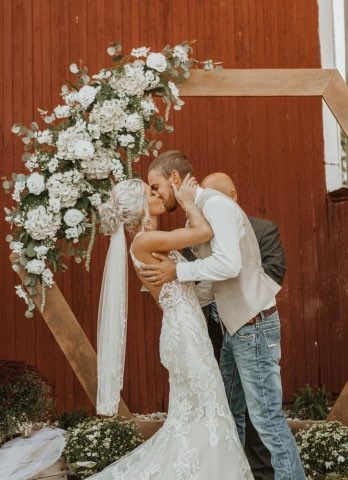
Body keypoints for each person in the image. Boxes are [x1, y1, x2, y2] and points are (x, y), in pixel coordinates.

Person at [141, 150, 305, 480]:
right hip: (234, 328)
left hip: (253, 325)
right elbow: (211, 285)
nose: (155, 194)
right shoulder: (196, 215)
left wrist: (178, 272)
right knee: (230, 412)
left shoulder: (216, 206)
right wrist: (178, 304)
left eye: (156, 186)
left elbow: (230, 264)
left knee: (267, 420)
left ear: (175, 179)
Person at [90, 177, 253, 479]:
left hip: (186, 329)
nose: (157, 194)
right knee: (209, 409)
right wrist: (189, 199)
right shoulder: (145, 241)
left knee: (200, 412)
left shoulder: (148, 240)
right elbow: (203, 232)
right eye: (150, 192)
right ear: (140, 206)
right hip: (184, 334)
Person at [201, 172, 287, 480]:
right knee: (230, 409)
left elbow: (274, 272)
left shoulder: (263, 229)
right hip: (217, 332)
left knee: (261, 411)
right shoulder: (201, 231)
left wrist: (245, 307)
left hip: (252, 324)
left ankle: (264, 472)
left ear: (233, 196)